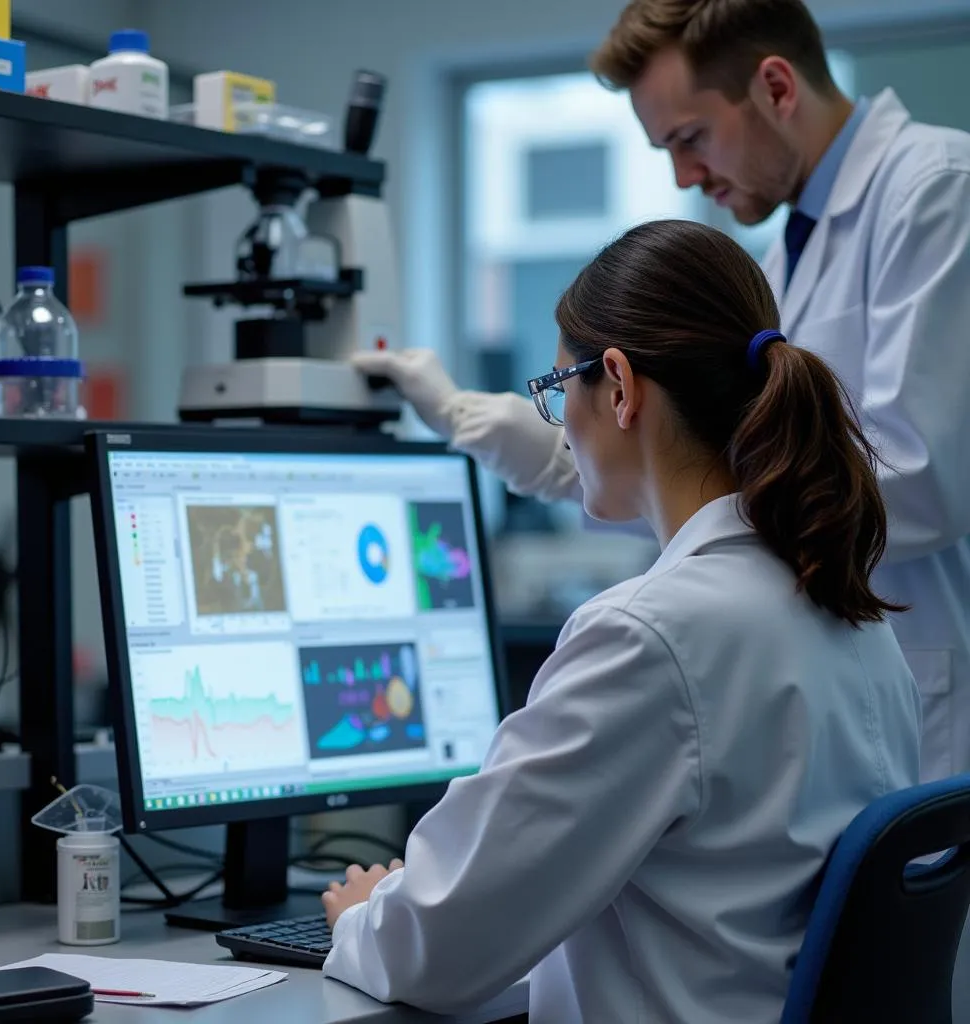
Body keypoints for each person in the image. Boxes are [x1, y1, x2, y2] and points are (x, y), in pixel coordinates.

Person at [353, 0, 970, 785]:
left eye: (689, 138)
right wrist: (513, 436)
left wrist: (647, 475)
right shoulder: (790, 246)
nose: (684, 177)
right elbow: (721, 442)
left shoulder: (937, 190)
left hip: (907, 681)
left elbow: (919, 480)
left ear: (776, 87)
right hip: (834, 685)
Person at [323, 220, 921, 1023]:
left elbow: (435, 947)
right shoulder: (851, 614)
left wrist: (365, 915)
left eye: (556, 388)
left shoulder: (652, 636)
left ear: (617, 385)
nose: (559, 420)